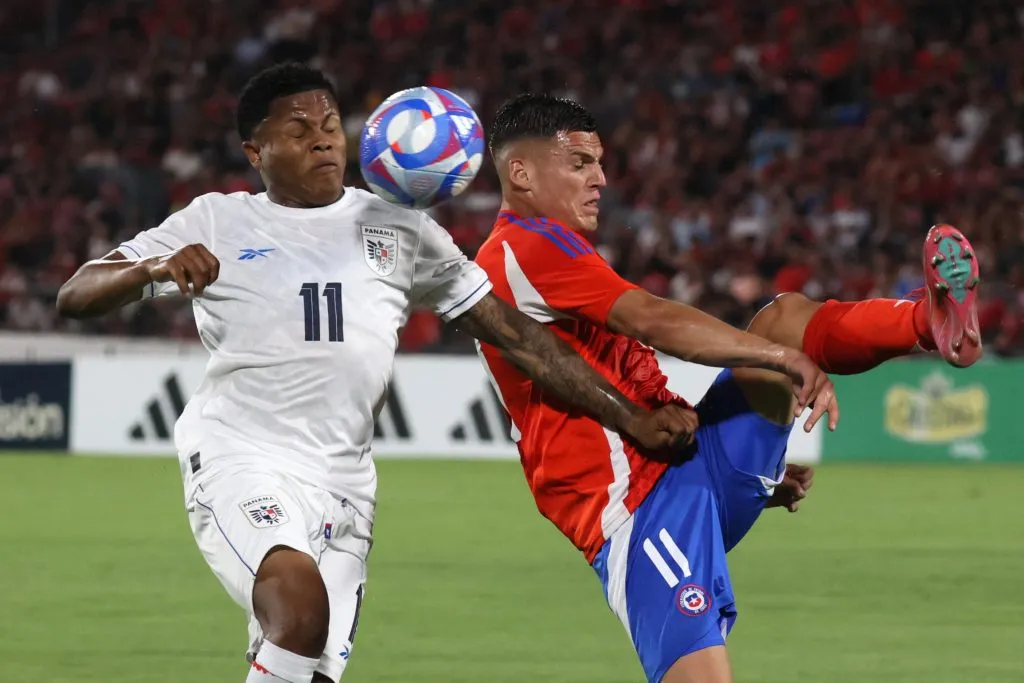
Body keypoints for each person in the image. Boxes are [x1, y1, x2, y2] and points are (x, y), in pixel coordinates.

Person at [55, 64, 702, 683]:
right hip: (242, 453)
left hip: (344, 482)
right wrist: (151, 269)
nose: (321, 139)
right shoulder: (218, 220)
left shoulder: (399, 230)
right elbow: (76, 294)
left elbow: (521, 338)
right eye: (298, 129)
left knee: (302, 658)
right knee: (299, 611)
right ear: (256, 152)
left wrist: (631, 417)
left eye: (330, 124)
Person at [473, 93, 981, 683]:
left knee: (785, 316)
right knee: (779, 337)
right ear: (521, 172)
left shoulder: (553, 247)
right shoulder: (519, 250)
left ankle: (928, 321)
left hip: (690, 460)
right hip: (636, 510)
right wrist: (778, 360)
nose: (601, 179)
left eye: (599, 162)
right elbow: (653, 319)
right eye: (581, 163)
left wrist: (752, 459)